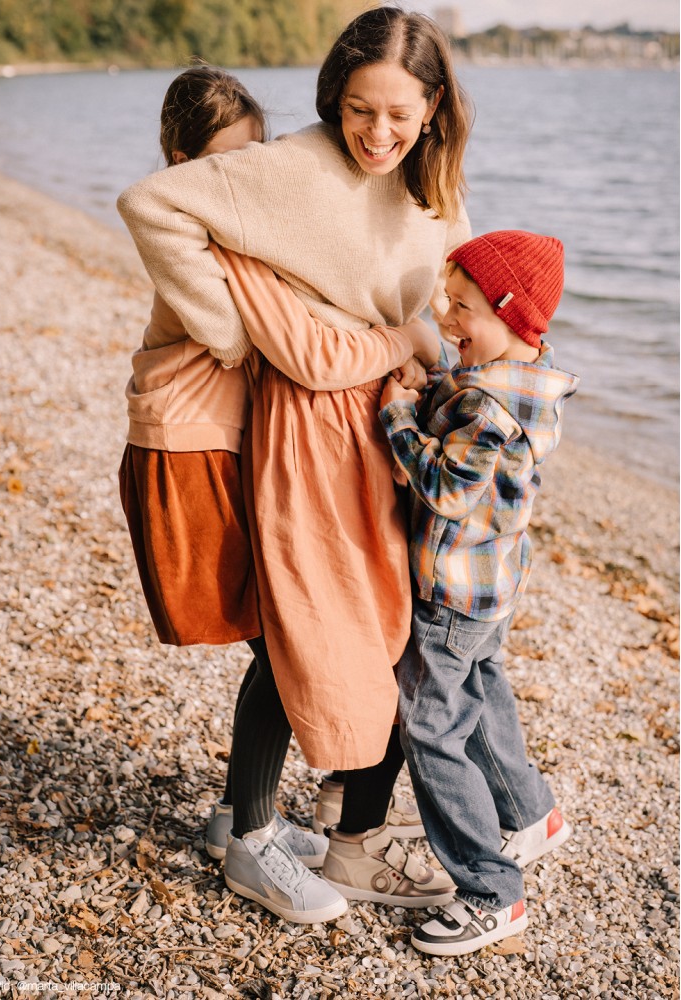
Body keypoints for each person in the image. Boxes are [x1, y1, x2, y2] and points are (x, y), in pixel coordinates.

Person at [118, 7, 472, 921]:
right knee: (300, 631)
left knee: (388, 626)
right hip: (308, 429)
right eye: (360, 109)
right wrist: (228, 331)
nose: (378, 132)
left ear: (434, 106)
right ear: (332, 97)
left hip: (389, 424)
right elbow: (155, 203)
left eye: (400, 112)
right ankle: (263, 835)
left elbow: (443, 297)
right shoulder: (295, 165)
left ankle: (330, 822)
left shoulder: (434, 185)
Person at [378, 230, 578, 956]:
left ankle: (492, 892)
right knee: (484, 689)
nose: (447, 317)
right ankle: (532, 815)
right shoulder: (524, 381)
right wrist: (435, 384)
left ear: (510, 314)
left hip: (453, 586)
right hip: (494, 583)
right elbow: (466, 409)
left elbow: (444, 487)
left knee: (431, 727)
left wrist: (398, 414)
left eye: (462, 306)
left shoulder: (487, 408)